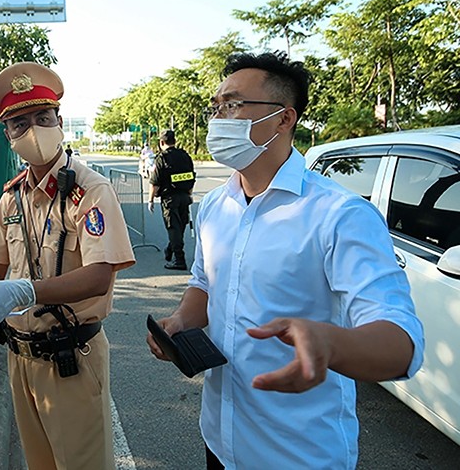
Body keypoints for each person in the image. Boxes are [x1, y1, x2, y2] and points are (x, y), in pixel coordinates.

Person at [147, 52, 424, 469]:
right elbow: (205, 283)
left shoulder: (339, 214)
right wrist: (182, 322)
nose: (219, 116)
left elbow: (402, 342)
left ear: (283, 119)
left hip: (298, 453)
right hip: (220, 440)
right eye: (216, 106)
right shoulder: (216, 206)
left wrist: (331, 343)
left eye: (235, 105)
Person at [0, 62, 135, 470]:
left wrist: (25, 291)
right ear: (7, 135)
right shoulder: (12, 198)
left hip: (72, 355)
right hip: (19, 357)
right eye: (18, 123)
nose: (32, 129)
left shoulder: (90, 190)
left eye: (43, 117)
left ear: (59, 121)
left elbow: (98, 275)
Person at [147, 129, 195, 270]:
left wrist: (150, 200)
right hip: (185, 196)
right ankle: (171, 250)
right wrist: (189, 194)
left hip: (170, 199)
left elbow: (155, 182)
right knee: (179, 227)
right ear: (175, 141)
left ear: (162, 142)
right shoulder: (185, 156)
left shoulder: (162, 158)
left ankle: (179, 260)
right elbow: (191, 177)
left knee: (173, 228)